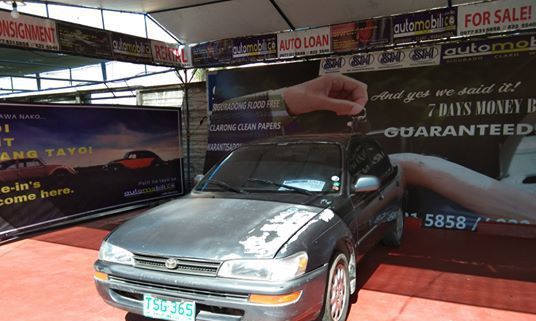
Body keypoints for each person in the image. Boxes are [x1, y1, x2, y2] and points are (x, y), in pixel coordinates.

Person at [208, 74, 536, 223]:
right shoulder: (274, 161)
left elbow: (522, 207)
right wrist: (290, 99)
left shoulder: (386, 167)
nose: (350, 124)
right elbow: (224, 119)